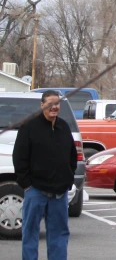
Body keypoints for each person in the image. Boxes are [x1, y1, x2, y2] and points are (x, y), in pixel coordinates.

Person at [12, 90, 77, 260]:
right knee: (31, 233)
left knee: (59, 234)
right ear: (42, 106)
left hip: (59, 193)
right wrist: (26, 184)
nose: (54, 107)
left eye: (57, 103)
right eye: (50, 103)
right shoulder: (29, 127)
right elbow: (19, 158)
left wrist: (68, 179)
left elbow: (71, 155)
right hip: (36, 190)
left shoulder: (64, 127)